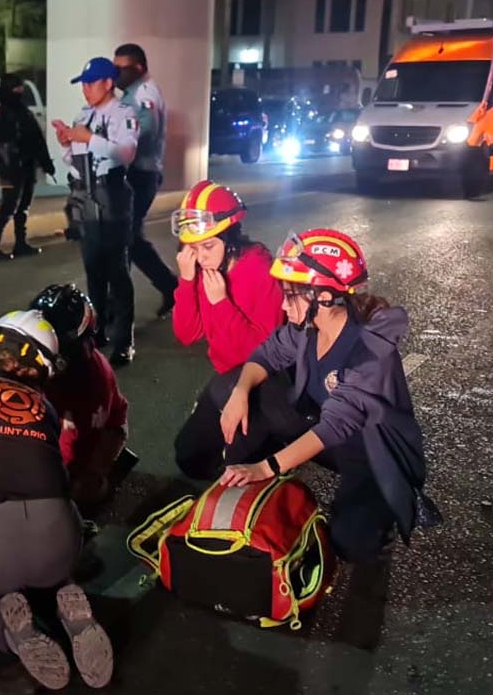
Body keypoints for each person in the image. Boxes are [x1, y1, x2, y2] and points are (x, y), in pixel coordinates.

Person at [217, 229, 435, 563]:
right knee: (236, 390)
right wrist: (240, 392)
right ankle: (248, 487)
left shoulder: (370, 351)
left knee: (351, 542)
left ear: (323, 297)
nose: (282, 303)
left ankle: (383, 513)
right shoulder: (308, 327)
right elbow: (266, 355)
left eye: (291, 294)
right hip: (322, 429)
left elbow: (336, 425)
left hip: (368, 453)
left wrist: (265, 467)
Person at [0, 310, 114, 690]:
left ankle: (10, 633)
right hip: (56, 536)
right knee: (48, 562)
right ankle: (65, 596)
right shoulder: (44, 408)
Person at [169, 181, 285, 479]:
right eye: (192, 248)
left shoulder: (258, 268)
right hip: (226, 377)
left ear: (231, 240)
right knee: (188, 457)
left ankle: (278, 443)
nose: (201, 256)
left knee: (238, 469)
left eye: (208, 246)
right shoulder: (201, 269)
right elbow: (187, 333)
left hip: (263, 380)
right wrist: (185, 281)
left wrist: (221, 303)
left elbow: (265, 352)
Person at [53, 57, 140, 367]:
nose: (86, 90)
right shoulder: (84, 115)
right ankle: (97, 328)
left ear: (107, 83)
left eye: (91, 83)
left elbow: (125, 152)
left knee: (117, 271)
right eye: (84, 84)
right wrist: (66, 141)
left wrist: (88, 138)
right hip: (85, 195)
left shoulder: (123, 113)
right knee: (93, 268)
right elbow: (74, 161)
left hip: (112, 195)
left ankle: (123, 340)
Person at [30, 283, 132, 508]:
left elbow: (67, 454)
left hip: (104, 432)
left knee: (75, 493)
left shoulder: (89, 381)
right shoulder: (74, 359)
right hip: (82, 428)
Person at [113, 43, 178, 317]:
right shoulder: (132, 92)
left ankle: (117, 305)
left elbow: (145, 130)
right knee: (129, 239)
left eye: (121, 68)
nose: (116, 73)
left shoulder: (144, 93)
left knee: (125, 238)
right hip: (137, 173)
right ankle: (170, 288)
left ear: (137, 68)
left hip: (141, 174)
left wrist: (113, 145)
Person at [0, 73, 55, 260]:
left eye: (20, 88)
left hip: (27, 165)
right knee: (9, 205)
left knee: (23, 205)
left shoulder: (24, 113)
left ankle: (20, 242)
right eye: (15, 88)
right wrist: (9, 163)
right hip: (10, 167)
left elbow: (37, 140)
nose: (19, 91)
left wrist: (47, 163)